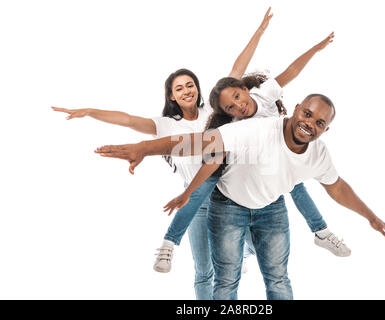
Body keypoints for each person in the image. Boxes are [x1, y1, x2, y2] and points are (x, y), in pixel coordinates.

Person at [52, 7, 274, 300]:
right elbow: (127, 119)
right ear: (171, 95)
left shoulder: (213, 110)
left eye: (190, 85)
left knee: (255, 248)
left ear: (197, 88)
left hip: (230, 194)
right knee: (204, 271)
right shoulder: (165, 125)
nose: (186, 90)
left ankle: (239, 252)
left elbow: (236, 70)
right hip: (195, 199)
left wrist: (259, 31)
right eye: (179, 88)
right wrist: (90, 112)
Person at [94, 94, 385, 300]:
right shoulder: (258, 131)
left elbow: (337, 187)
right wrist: (145, 148)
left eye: (319, 122)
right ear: (296, 111)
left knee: (278, 277)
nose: (310, 124)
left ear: (326, 129)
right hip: (228, 207)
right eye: (307, 114)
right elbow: (201, 141)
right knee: (226, 279)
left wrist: (370, 216)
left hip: (271, 209)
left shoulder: (318, 153)